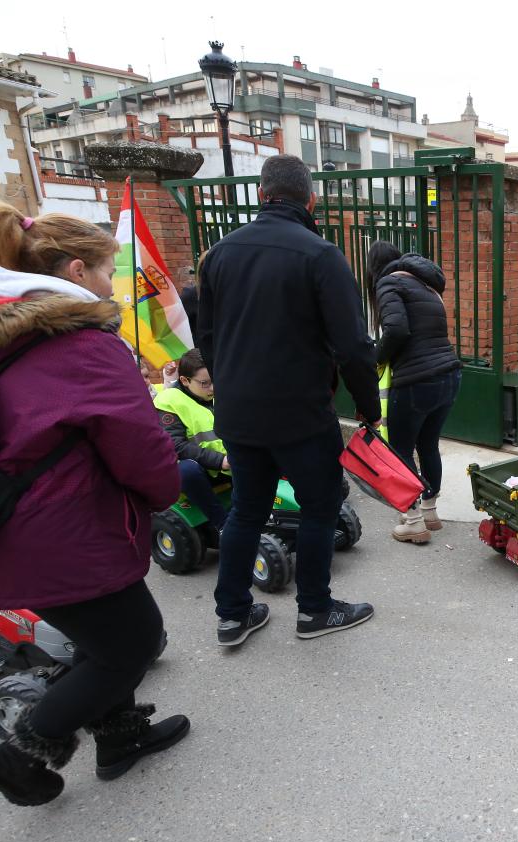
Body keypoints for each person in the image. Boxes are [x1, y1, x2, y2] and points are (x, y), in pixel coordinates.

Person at [0, 202, 185, 806]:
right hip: (66, 533)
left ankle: (121, 736)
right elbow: (139, 447)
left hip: (4, 530)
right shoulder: (81, 345)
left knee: (107, 642)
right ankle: (18, 755)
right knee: (132, 645)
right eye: (104, 271)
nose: (109, 284)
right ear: (76, 271)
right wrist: (166, 492)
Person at [197, 154, 381, 647]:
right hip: (300, 413)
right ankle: (315, 611)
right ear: (311, 200)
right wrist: (370, 406)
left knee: (246, 510)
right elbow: (354, 347)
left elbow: (208, 339)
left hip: (238, 414)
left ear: (261, 195)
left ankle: (233, 615)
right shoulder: (321, 256)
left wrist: (231, 387)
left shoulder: (218, 255)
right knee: (321, 506)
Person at [367, 241, 461, 545]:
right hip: (449, 374)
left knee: (402, 451)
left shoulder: (388, 282)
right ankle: (429, 512)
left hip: (416, 381)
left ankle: (413, 520)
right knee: (429, 444)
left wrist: (376, 359)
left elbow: (395, 330)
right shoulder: (423, 283)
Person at [155, 348, 229, 531]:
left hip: (230, 462)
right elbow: (177, 445)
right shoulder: (168, 401)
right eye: (205, 383)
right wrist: (220, 461)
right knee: (186, 470)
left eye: (214, 380)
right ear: (185, 381)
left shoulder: (222, 391)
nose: (212, 388)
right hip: (201, 470)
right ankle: (222, 525)